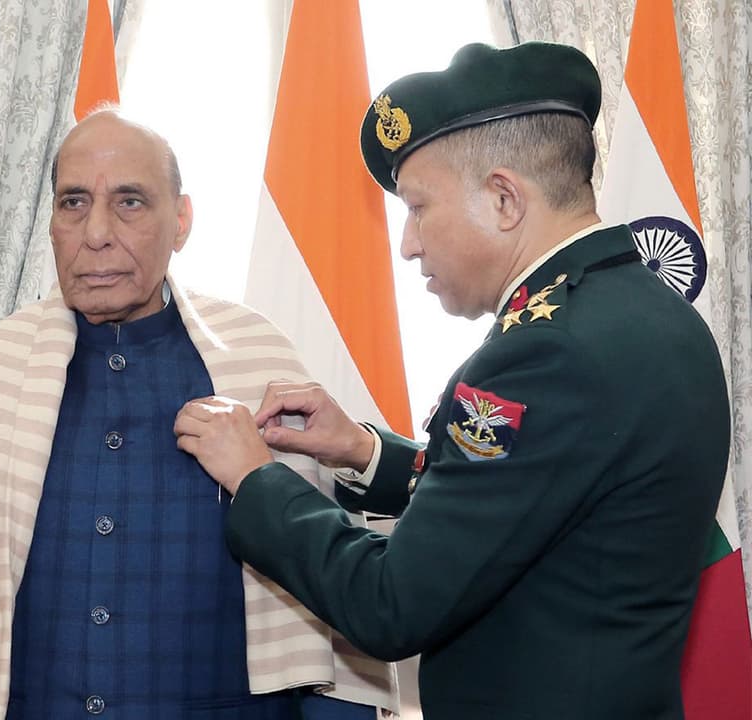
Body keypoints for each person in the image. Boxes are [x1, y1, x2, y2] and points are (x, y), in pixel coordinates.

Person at [174, 42, 730, 719]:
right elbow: (536, 494)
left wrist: (255, 477)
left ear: (503, 198)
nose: (408, 244)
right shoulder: (650, 312)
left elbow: (389, 602)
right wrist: (363, 451)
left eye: (418, 207)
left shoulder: (545, 352)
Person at [0, 109, 397, 719]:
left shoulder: (257, 367)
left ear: (181, 221)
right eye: (74, 203)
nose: (96, 233)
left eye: (130, 202)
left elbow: (327, 641)